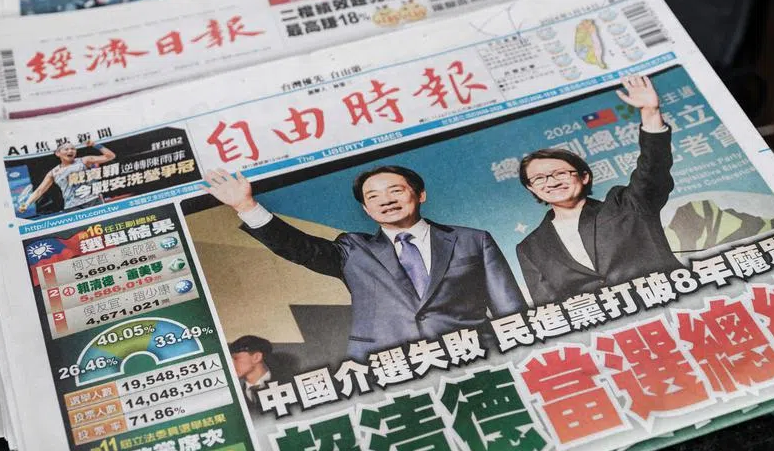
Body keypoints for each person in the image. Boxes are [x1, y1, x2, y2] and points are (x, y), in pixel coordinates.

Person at [205, 165, 526, 361]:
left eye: (396, 190)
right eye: (373, 197)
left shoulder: (473, 240)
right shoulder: (353, 249)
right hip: (386, 366)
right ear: (366, 209)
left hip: (474, 354)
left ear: (420, 195)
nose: (385, 200)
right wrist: (246, 206)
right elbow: (299, 248)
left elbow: (510, 308)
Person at [515, 74, 679, 306]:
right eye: (539, 178)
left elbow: (653, 170)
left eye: (560, 173)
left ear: (584, 177)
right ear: (531, 188)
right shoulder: (530, 247)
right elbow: (549, 306)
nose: (551, 182)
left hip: (673, 305)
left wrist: (650, 114)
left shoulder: (627, 204)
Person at [20, 140, 116, 214]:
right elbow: (39, 190)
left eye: (73, 149)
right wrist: (26, 204)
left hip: (93, 201)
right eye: (66, 149)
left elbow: (110, 156)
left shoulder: (84, 161)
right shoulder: (53, 173)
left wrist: (95, 145)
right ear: (58, 153)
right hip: (72, 207)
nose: (70, 151)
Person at [228, 335, 286, 409]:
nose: (230, 364)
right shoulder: (235, 395)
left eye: (236, 358)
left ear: (257, 357)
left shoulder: (285, 381)